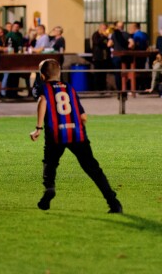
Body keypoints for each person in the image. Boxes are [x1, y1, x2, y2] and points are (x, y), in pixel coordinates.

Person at [28, 59, 122, 213]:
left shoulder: (43, 88)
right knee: (93, 168)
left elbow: (42, 101)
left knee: (50, 163)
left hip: (56, 133)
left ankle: (49, 188)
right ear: (60, 73)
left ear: (43, 76)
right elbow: (83, 116)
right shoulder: (70, 88)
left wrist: (38, 128)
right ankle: (114, 203)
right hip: (77, 134)